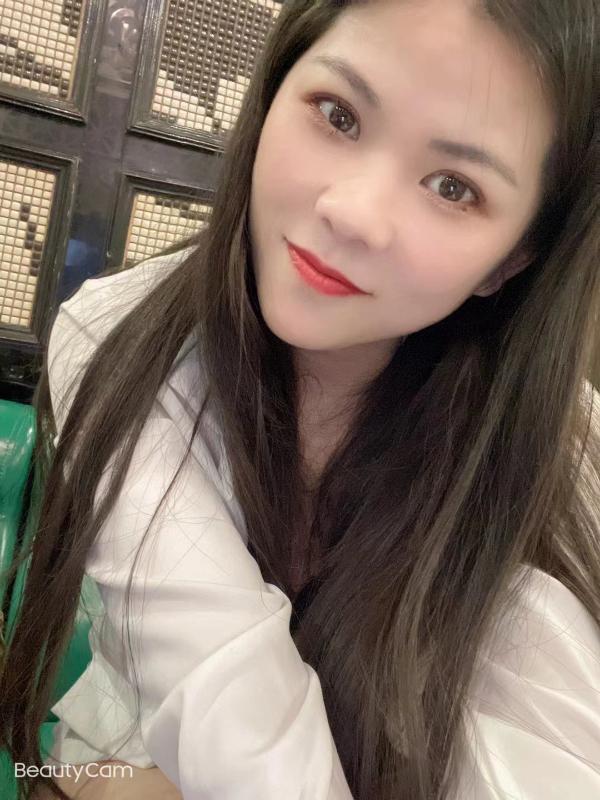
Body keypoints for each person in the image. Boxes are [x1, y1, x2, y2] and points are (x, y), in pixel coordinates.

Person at [1, 0, 599, 797]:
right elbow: (232, 723)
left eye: (454, 186)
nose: (351, 213)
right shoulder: (122, 339)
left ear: (512, 259)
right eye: (338, 114)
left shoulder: (565, 463)